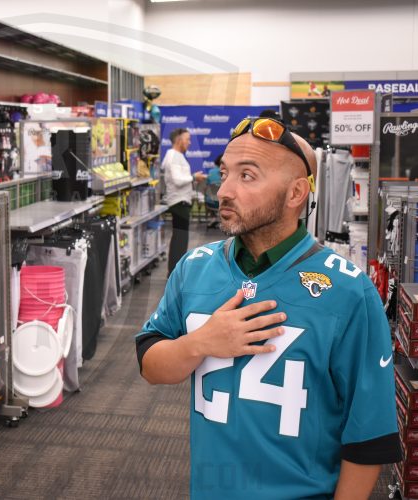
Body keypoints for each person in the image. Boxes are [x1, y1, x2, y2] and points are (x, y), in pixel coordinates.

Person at [137, 116, 400, 499]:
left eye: (247, 176)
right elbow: (149, 366)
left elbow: (368, 438)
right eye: (225, 173)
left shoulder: (349, 292)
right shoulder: (194, 268)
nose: (224, 190)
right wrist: (199, 343)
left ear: (295, 193)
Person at [163, 128, 206, 275]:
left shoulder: (176, 156)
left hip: (181, 202)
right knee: (180, 240)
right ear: (179, 140)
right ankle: (175, 273)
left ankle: (175, 272)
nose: (189, 142)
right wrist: (194, 177)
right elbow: (177, 180)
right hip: (178, 203)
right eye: (187, 139)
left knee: (180, 239)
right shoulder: (173, 156)